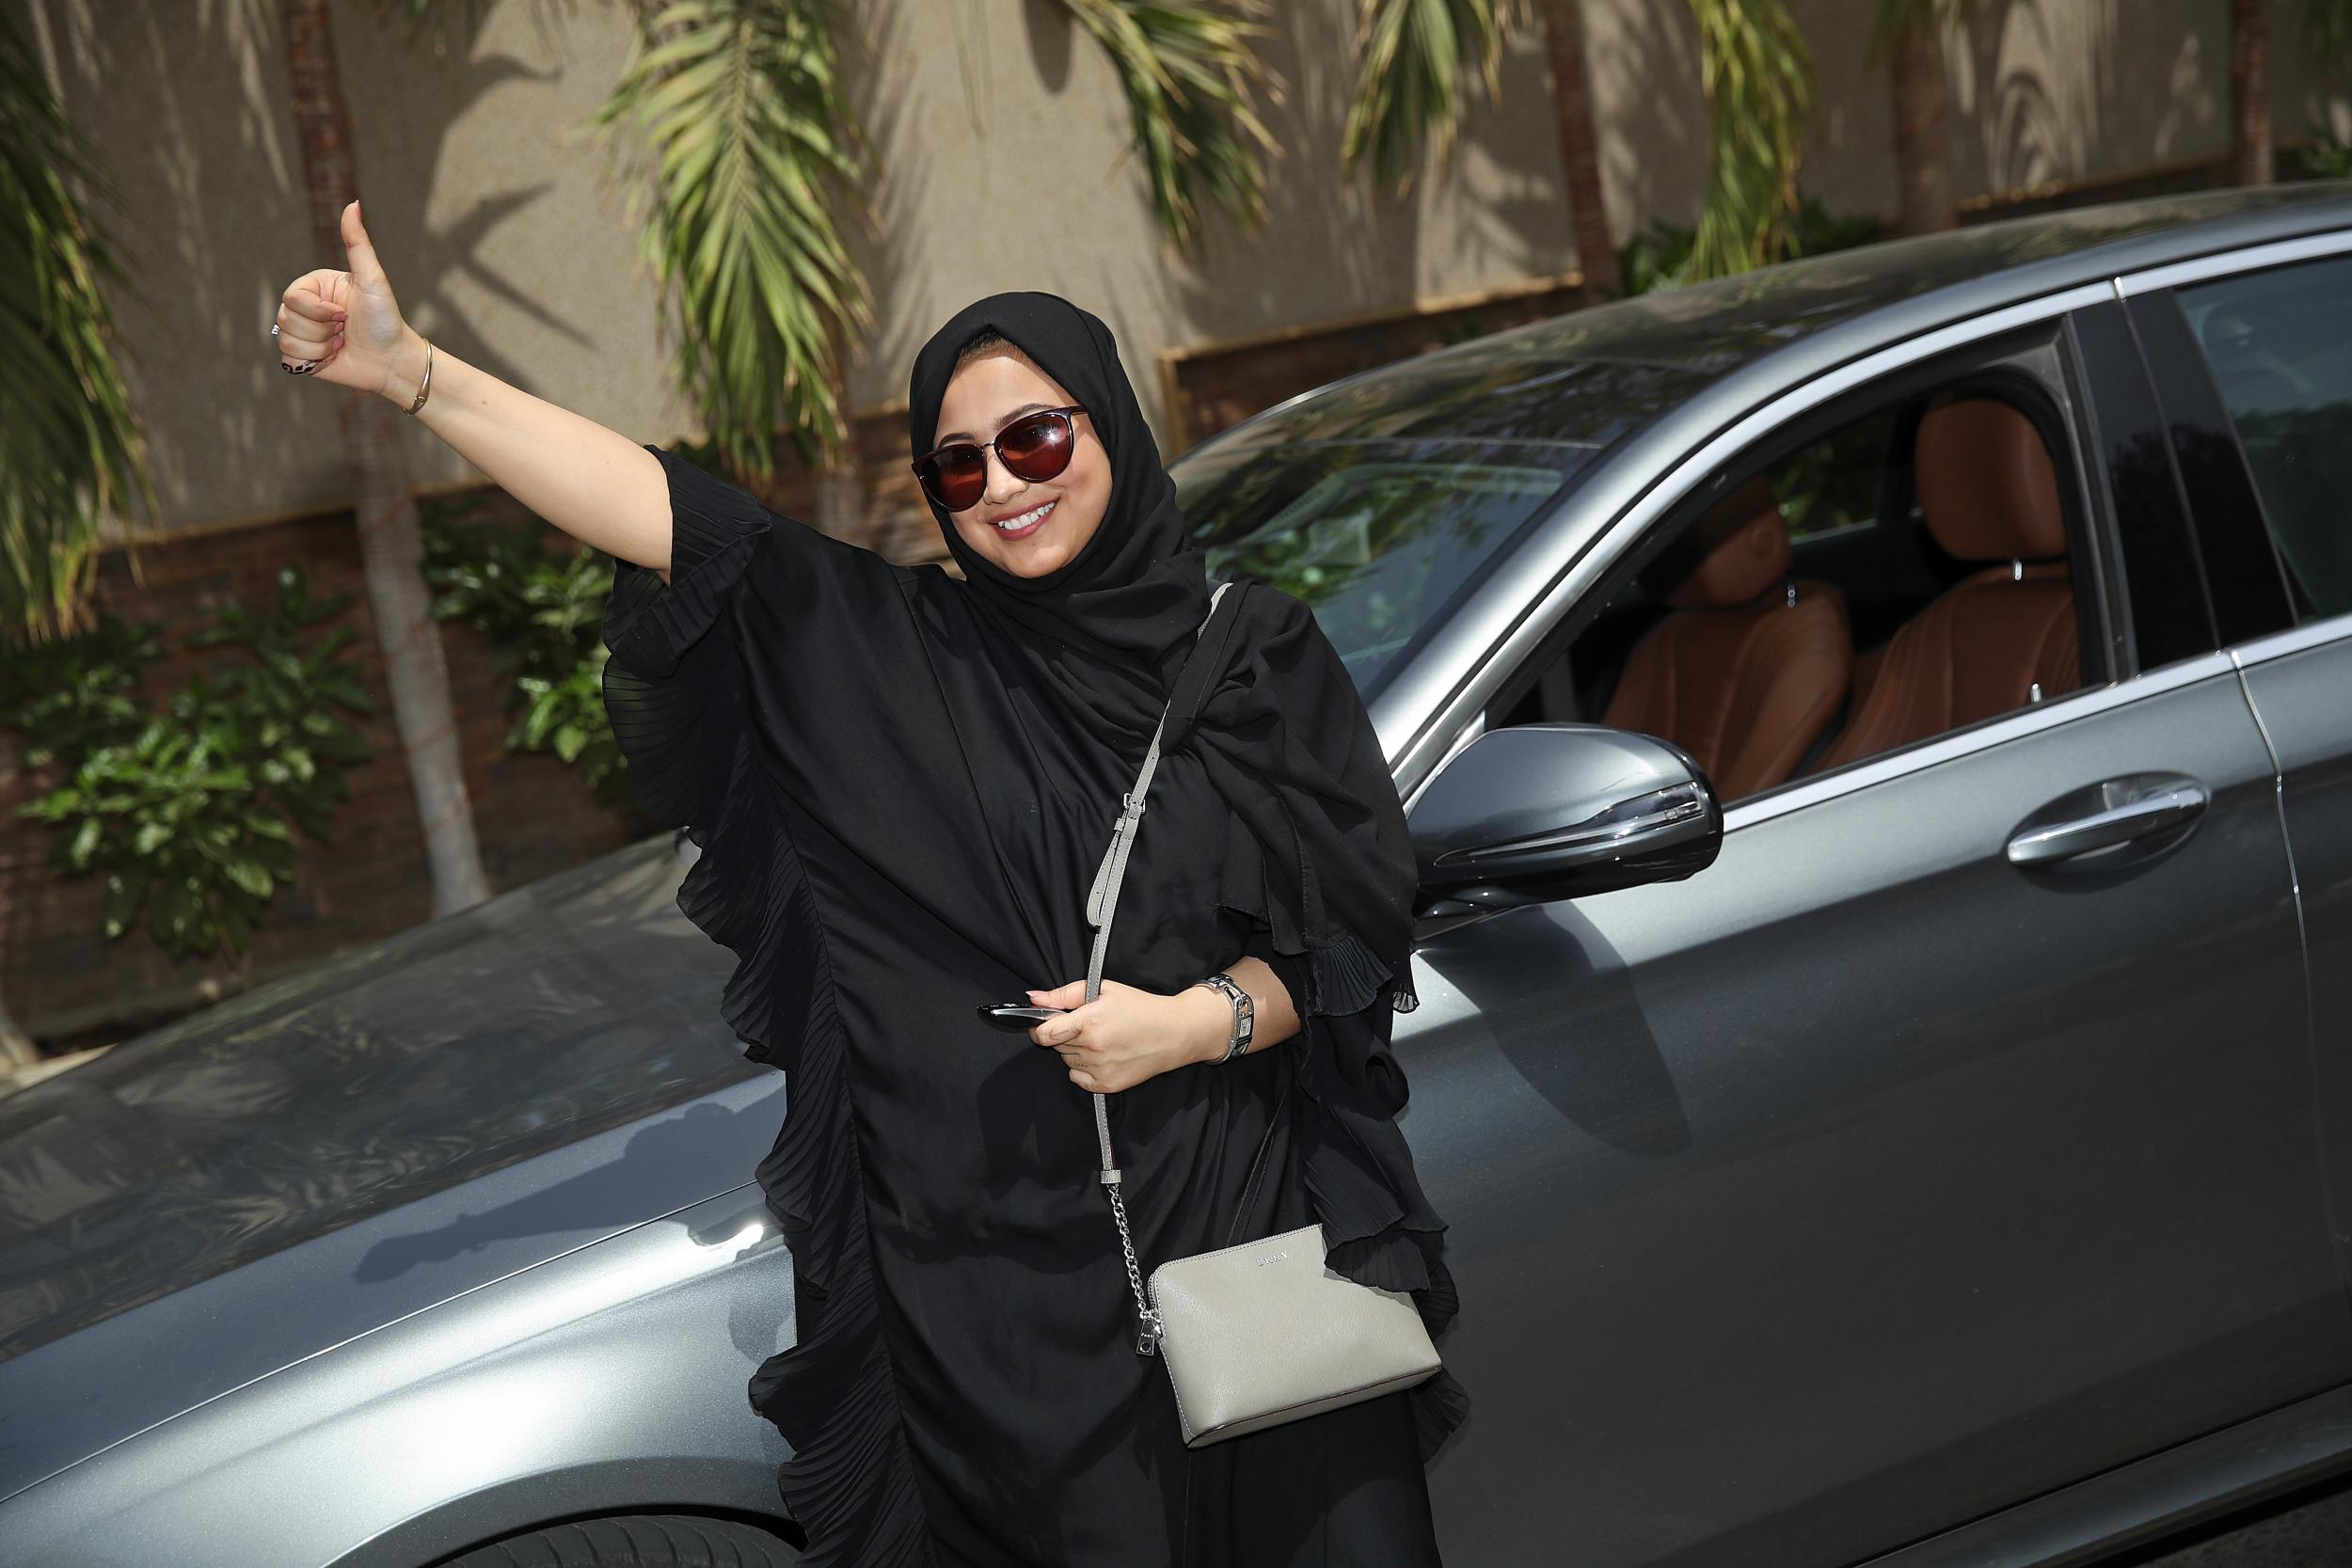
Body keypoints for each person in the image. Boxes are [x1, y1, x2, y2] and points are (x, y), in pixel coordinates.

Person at [275, 199, 1469, 1567]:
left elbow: (1349, 935)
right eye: (957, 468)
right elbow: (681, 520)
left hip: (1252, 1258)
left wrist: (1183, 1026)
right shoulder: (900, 658)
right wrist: (415, 369)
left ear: (1109, 429)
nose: (1004, 487)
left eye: (1034, 438)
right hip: (1011, 1327)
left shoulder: (1250, 657)